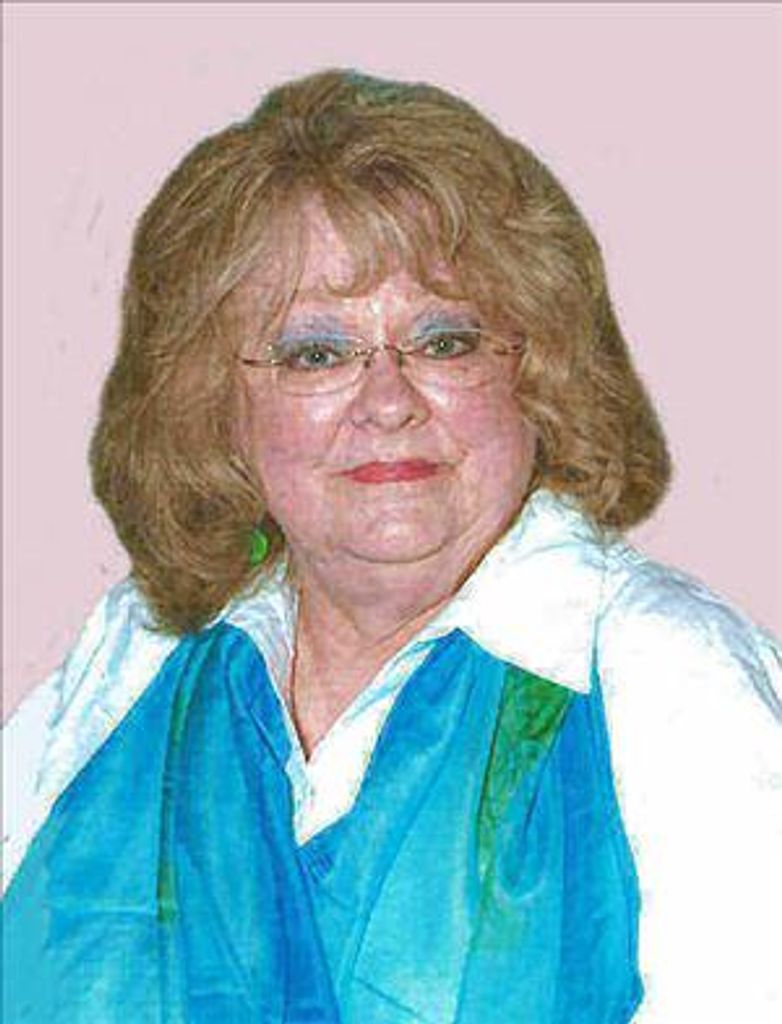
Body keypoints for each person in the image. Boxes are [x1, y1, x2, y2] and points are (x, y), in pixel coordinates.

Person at [3, 69, 780, 1023]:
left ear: (536, 372)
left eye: (445, 341)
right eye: (316, 354)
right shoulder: (142, 650)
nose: (387, 401)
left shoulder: (665, 672)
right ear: (218, 410)